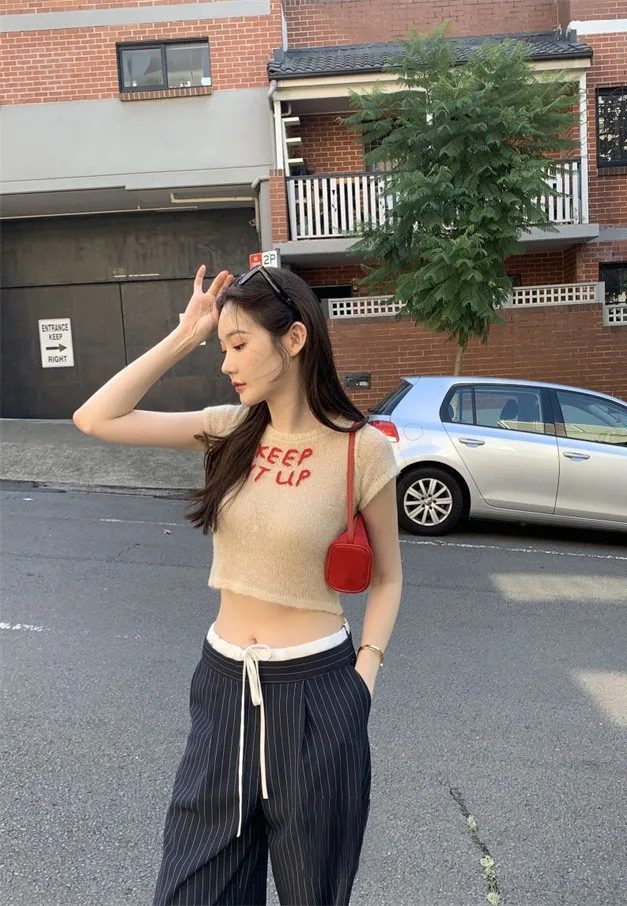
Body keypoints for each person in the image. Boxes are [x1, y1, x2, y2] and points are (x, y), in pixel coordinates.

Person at [73, 263, 403, 906]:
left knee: (313, 891)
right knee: (192, 891)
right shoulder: (227, 430)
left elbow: (388, 578)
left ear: (295, 339)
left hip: (320, 693)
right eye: (221, 347)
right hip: (224, 688)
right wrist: (185, 336)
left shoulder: (361, 450)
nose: (226, 363)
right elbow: (96, 418)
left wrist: (363, 680)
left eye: (239, 344)